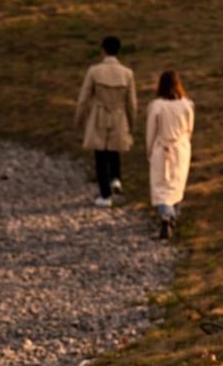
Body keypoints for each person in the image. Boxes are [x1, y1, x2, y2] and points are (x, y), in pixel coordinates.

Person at [75, 36, 137, 207]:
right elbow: (132, 103)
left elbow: (83, 99)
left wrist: (79, 120)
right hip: (118, 114)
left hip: (99, 114)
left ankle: (105, 195)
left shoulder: (94, 71)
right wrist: (131, 124)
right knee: (114, 148)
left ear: (103, 50)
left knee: (100, 153)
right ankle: (116, 178)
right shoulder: (127, 73)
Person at [146, 70, 194, 240]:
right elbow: (189, 129)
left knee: (161, 186)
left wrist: (150, 150)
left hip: (162, 148)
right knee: (177, 183)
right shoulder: (187, 105)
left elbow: (151, 131)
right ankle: (174, 214)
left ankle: (166, 215)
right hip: (181, 149)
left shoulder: (157, 106)